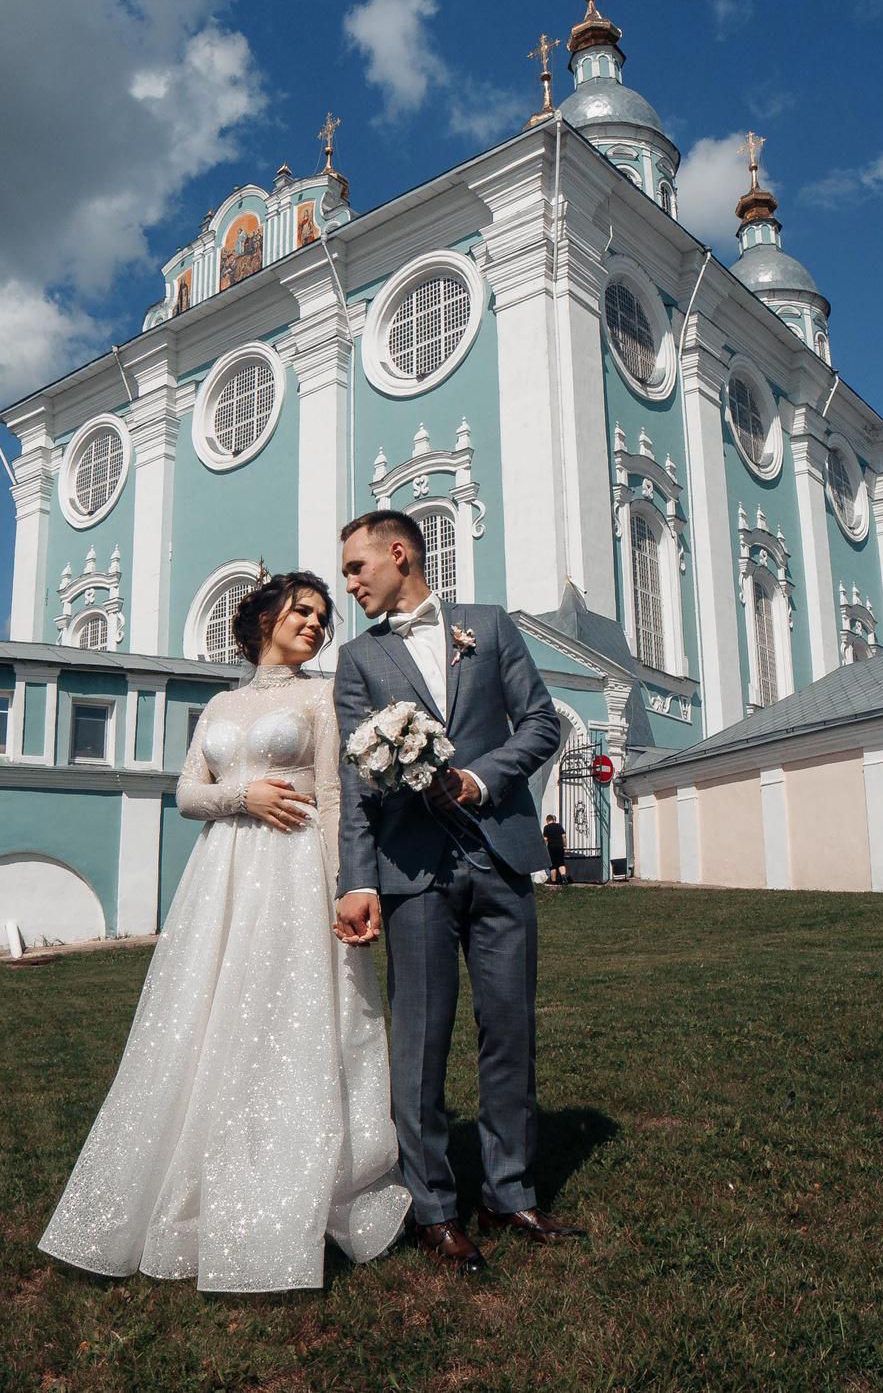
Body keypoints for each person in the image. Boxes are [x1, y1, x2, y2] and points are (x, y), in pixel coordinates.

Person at [39, 570, 409, 1292]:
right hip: (223, 875)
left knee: (292, 1014)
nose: (315, 624)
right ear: (265, 618)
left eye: (323, 616)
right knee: (205, 1017)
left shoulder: (322, 694)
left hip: (298, 868)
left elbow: (334, 791)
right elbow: (185, 793)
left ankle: (300, 1189)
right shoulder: (219, 703)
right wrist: (243, 794)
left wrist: (347, 884)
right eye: (302, 611)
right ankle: (189, 1193)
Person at [332, 510, 585, 1275]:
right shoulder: (356, 659)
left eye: (356, 567)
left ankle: (510, 1190)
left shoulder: (489, 626)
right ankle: (434, 1208)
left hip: (501, 859)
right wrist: (357, 881)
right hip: (413, 877)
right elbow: (356, 787)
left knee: (510, 1028)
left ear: (397, 552)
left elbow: (542, 724)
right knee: (421, 1045)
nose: (350, 582)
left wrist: (481, 777)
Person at [543, 813, 569, 885]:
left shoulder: (546, 828)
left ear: (547, 820)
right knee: (561, 862)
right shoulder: (559, 826)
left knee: (553, 864)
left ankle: (554, 881)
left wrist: (546, 846)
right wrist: (565, 846)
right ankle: (564, 877)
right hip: (559, 846)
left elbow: (546, 839)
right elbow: (563, 836)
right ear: (553, 820)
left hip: (551, 847)